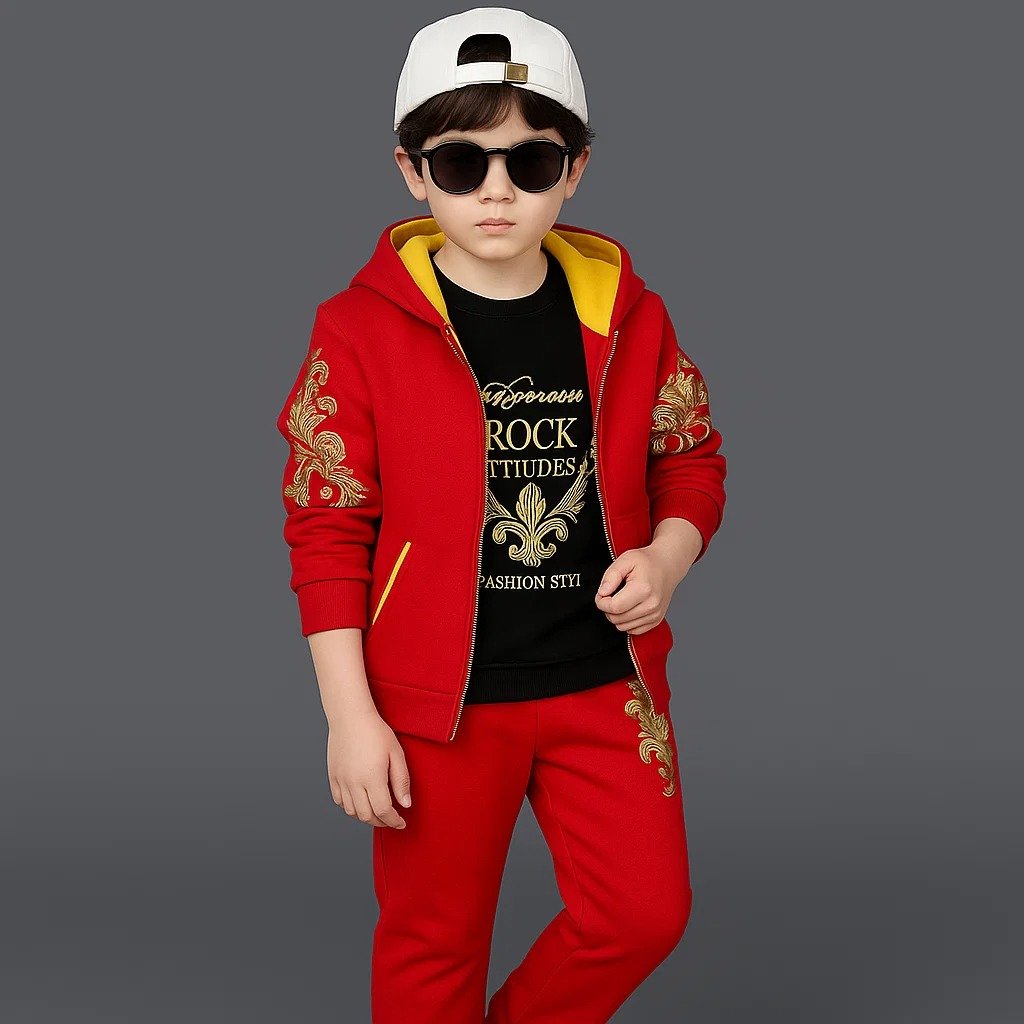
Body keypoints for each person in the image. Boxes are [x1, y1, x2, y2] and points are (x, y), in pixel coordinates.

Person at [276, 8, 728, 1022]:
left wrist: (667, 558)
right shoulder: (356, 331)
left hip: (603, 682)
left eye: (531, 161)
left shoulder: (631, 315)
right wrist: (350, 716)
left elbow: (690, 458)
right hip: (437, 705)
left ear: (574, 170)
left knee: (642, 914)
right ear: (411, 171)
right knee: (433, 943)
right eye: (460, 161)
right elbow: (326, 527)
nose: (496, 189)